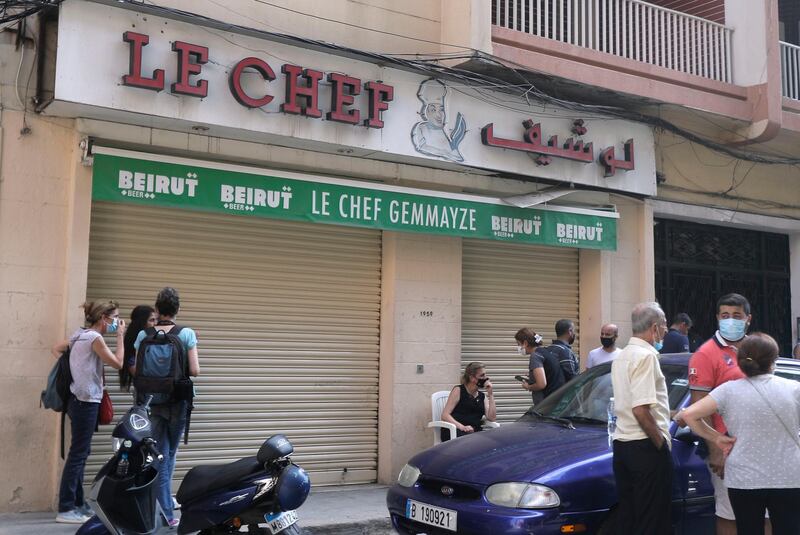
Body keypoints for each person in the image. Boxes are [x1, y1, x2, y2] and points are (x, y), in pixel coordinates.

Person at [681, 333, 800, 535]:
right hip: (788, 475)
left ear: (740, 361)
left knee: (747, 529)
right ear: (774, 360)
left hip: (744, 477)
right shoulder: (794, 388)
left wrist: (716, 437)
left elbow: (689, 415)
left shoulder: (727, 391)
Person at [52, 301, 127, 524]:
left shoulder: (78, 335)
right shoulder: (95, 338)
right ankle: (66, 508)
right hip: (86, 401)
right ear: (104, 318)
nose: (117, 323)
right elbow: (118, 363)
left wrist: (73, 370)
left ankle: (77, 504)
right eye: (115, 318)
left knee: (81, 453)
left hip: (78, 400)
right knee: (78, 454)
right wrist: (121, 336)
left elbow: (55, 348)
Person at [686, 293, 752, 535]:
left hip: (758, 445)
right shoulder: (705, 354)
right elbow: (698, 409)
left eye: (736, 316)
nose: (730, 320)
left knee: (766, 513)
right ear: (717, 318)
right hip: (728, 448)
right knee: (730, 515)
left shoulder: (756, 349)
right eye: (725, 316)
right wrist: (716, 450)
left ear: (748, 319)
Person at [133, 287, 199, 526]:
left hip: (151, 402)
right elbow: (194, 370)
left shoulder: (144, 335)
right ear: (177, 310)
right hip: (178, 402)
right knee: (167, 456)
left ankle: (162, 507)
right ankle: (167, 514)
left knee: (161, 453)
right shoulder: (186, 333)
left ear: (158, 309)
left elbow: (138, 369)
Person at [610, 302, 672, 535]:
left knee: (630, 516)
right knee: (652, 520)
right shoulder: (646, 356)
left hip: (623, 444)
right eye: (664, 326)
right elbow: (640, 409)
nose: (666, 331)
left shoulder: (623, 355)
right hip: (645, 446)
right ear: (655, 328)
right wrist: (661, 444)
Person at [440, 362, 496, 442]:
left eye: (485, 375)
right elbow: (445, 415)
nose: (486, 378)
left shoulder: (482, 396)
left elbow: (492, 418)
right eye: (482, 375)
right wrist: (462, 427)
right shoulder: (458, 390)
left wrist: (490, 394)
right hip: (455, 430)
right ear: (472, 378)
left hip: (474, 432)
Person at [515, 327, 565, 404]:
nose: (518, 348)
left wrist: (528, 387)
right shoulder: (544, 351)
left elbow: (541, 384)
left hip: (547, 403)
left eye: (518, 344)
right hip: (556, 400)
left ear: (525, 343)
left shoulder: (535, 356)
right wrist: (532, 375)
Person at [119, 305, 156, 391]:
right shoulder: (133, 347)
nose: (155, 323)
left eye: (156, 320)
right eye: (152, 320)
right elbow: (139, 374)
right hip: (145, 394)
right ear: (141, 322)